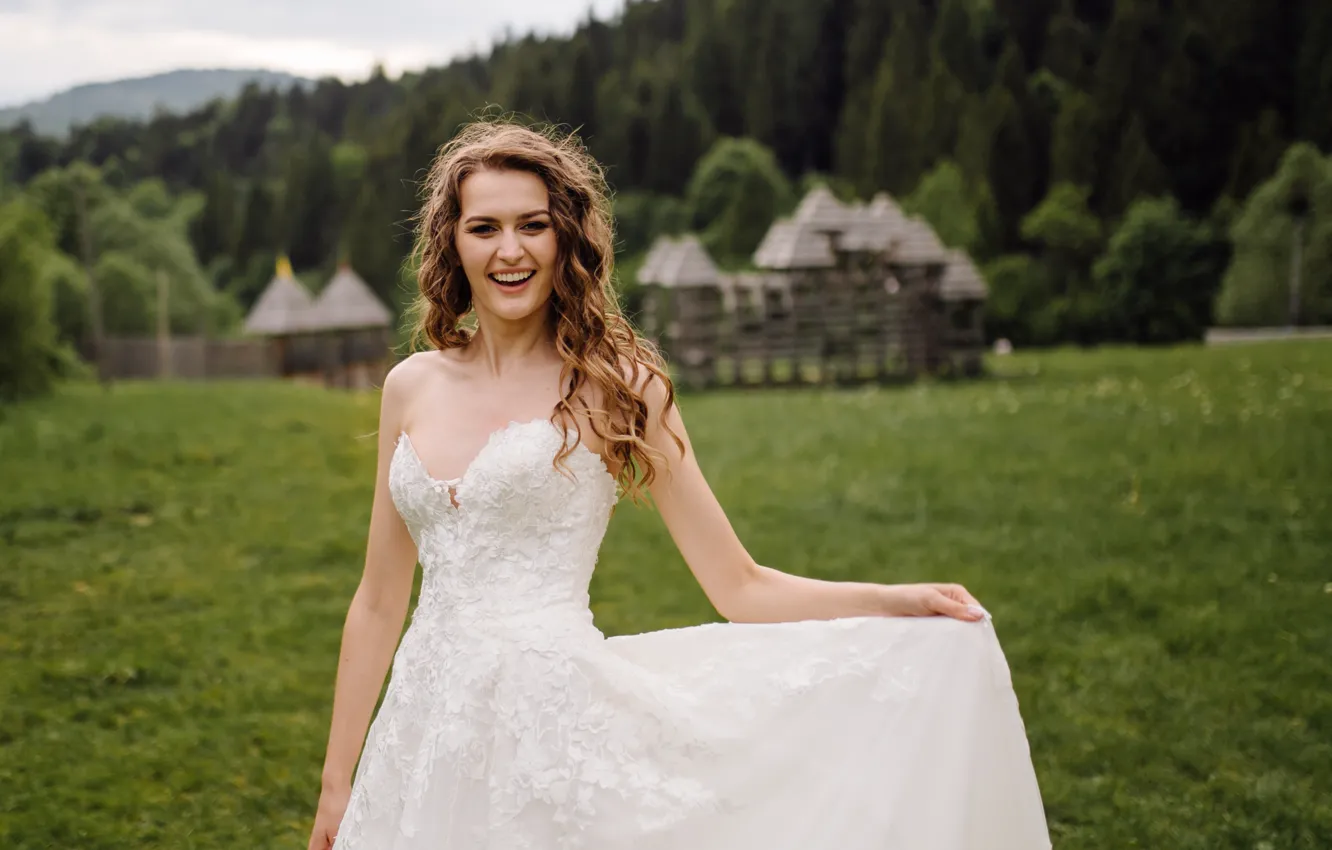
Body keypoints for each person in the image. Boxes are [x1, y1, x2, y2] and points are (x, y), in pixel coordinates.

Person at [307, 120, 1050, 850]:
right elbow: (378, 601)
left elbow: (740, 585)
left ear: (565, 236)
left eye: (532, 225)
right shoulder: (410, 386)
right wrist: (339, 781)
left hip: (550, 735)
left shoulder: (619, 389)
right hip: (420, 734)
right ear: (453, 242)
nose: (510, 250)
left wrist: (895, 603)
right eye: (484, 228)